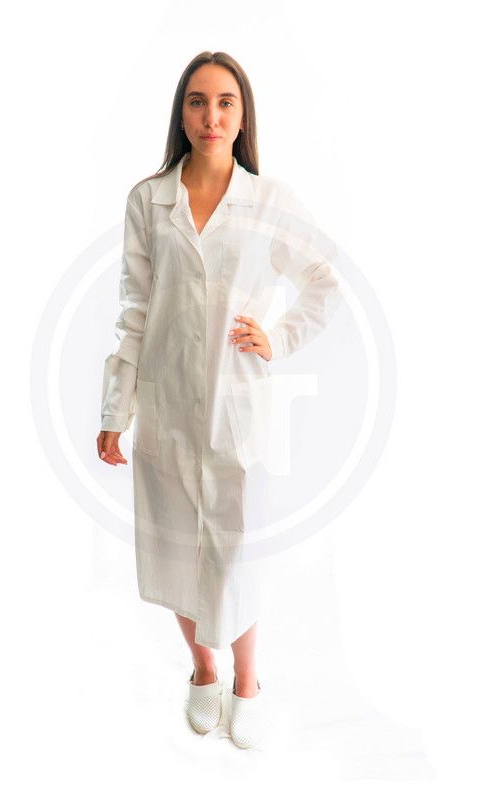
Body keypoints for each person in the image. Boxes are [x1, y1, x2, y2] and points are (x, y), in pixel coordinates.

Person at [96, 51, 341, 749]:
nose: (211, 115)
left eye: (225, 102)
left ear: (242, 116)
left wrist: (278, 338)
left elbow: (324, 278)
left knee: (235, 553)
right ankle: (203, 670)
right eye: (198, 101)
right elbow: (135, 309)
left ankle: (247, 680)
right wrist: (115, 411)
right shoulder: (149, 200)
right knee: (177, 549)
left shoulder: (268, 202)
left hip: (239, 408)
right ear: (182, 114)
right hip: (166, 402)